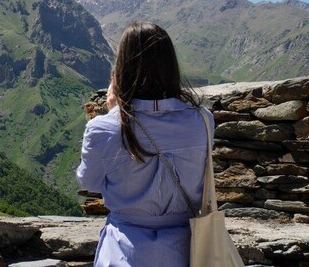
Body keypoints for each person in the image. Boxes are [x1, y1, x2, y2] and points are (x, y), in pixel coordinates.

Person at [76, 21, 213, 267]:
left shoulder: (103, 128)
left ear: (122, 69)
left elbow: (89, 182)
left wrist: (114, 112)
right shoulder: (202, 120)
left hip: (123, 252)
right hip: (187, 252)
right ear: (171, 66)